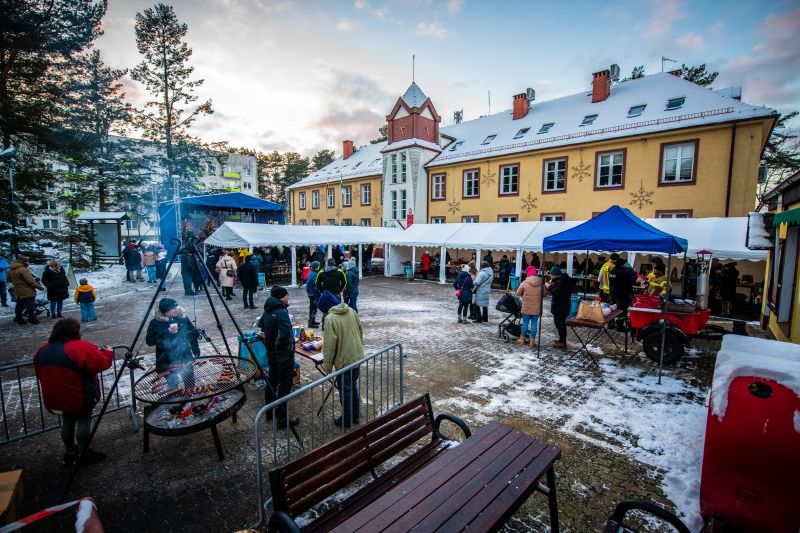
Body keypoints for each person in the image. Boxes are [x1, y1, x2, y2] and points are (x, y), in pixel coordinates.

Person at [34, 318, 113, 465]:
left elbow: (38, 371)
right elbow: (101, 363)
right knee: (83, 421)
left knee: (67, 421)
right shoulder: (77, 347)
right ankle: (83, 453)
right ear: (73, 332)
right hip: (78, 396)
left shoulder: (43, 350)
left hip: (55, 397)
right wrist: (108, 353)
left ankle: (69, 453)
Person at [318, 292, 364, 428]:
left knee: (345, 390)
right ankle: (355, 414)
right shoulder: (350, 310)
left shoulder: (330, 318)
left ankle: (347, 420)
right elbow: (360, 331)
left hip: (344, 361)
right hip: (356, 356)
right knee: (352, 386)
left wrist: (327, 366)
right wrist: (358, 349)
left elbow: (329, 346)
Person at [258, 286, 298, 428]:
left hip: (271, 353)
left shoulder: (269, 309)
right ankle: (281, 418)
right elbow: (285, 333)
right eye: (287, 296)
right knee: (285, 384)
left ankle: (269, 412)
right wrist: (280, 346)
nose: (289, 299)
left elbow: (260, 324)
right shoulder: (281, 311)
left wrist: (269, 337)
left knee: (272, 381)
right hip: (283, 355)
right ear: (282, 297)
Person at [146, 298, 199, 389]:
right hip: (167, 360)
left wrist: (196, 351)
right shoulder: (155, 323)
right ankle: (175, 400)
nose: (176, 310)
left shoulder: (182, 318)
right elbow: (149, 341)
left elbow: (192, 334)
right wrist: (166, 332)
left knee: (190, 383)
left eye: (176, 307)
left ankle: (191, 399)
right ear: (165, 312)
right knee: (173, 386)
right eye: (173, 308)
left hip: (185, 356)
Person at [9, 256, 43, 325]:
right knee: (30, 306)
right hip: (27, 291)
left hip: (18, 290)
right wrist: (40, 287)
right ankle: (32, 320)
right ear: (23, 261)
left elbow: (9, 279)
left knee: (19, 306)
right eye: (27, 261)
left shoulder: (11, 270)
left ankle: (20, 320)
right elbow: (31, 281)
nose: (28, 263)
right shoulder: (23, 270)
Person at [546, 266, 573, 349]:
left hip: (560, 306)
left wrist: (549, 286)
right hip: (563, 305)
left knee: (559, 324)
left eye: (552, 276)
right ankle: (562, 340)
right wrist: (553, 283)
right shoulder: (565, 280)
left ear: (556, 275)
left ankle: (562, 342)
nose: (551, 277)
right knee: (561, 323)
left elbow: (555, 292)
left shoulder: (561, 282)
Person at [516, 266, 543, 347]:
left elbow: (518, 293)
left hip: (526, 307)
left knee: (525, 323)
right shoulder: (541, 283)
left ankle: (522, 339)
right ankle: (532, 341)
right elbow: (545, 294)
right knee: (534, 324)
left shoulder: (524, 282)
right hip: (537, 308)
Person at [609, 257, 637, 331]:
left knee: (612, 309)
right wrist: (635, 273)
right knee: (622, 310)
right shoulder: (624, 272)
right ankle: (620, 326)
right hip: (622, 294)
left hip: (613, 293)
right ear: (622, 264)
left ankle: (610, 324)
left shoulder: (612, 270)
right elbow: (632, 281)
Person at [306, 261, 321, 327]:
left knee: (312, 307)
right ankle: (311, 323)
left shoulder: (310, 272)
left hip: (310, 292)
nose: (319, 267)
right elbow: (316, 285)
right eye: (318, 266)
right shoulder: (314, 274)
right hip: (313, 293)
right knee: (313, 308)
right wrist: (319, 292)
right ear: (316, 267)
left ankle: (312, 321)